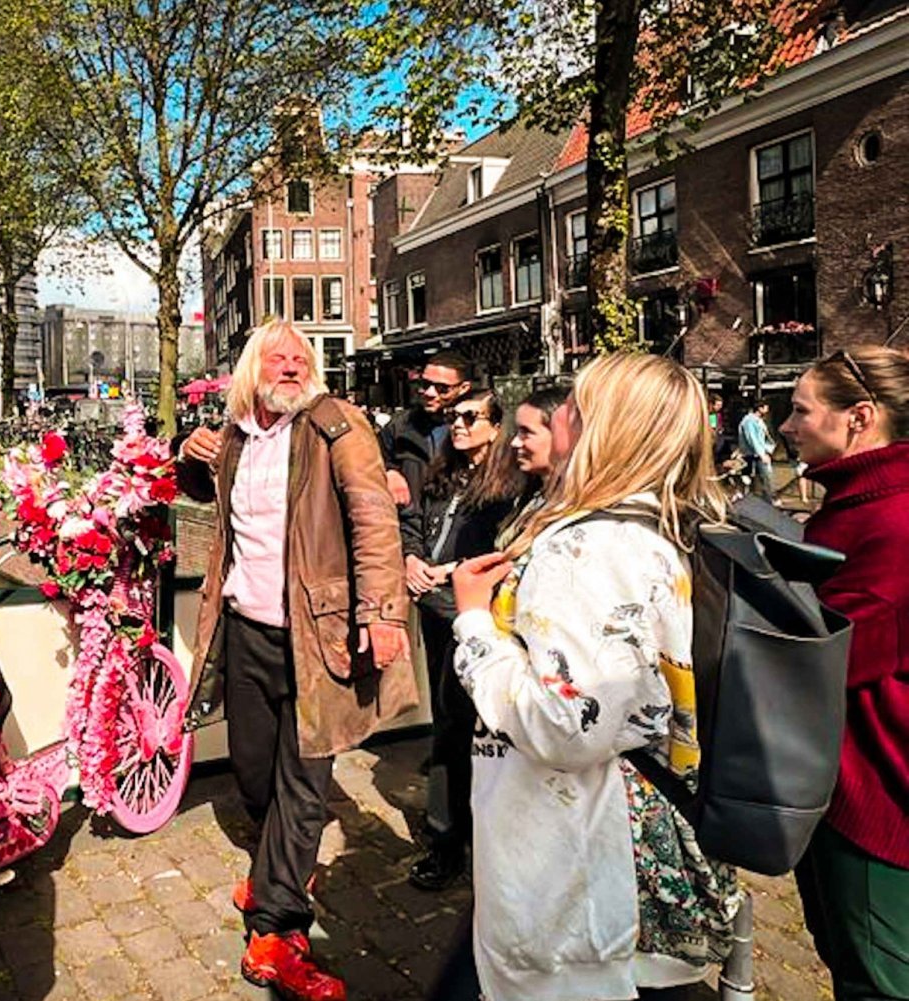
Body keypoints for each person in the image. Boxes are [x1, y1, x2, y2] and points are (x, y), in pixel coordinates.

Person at [451, 353, 741, 1001]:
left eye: (575, 406)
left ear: (604, 430)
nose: (559, 415)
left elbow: (567, 726)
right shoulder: (653, 527)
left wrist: (474, 625)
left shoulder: (587, 549)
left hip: (577, 862)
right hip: (613, 850)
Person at [177, 319, 417, 1001]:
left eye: (300, 357)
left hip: (320, 636)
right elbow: (198, 492)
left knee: (304, 783)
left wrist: (384, 614)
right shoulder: (234, 438)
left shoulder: (333, 423)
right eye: (276, 356)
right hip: (246, 629)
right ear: (251, 369)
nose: (290, 365)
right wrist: (189, 454)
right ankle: (276, 868)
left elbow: (374, 517)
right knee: (255, 774)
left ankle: (277, 931)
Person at [780, 347, 909, 1001]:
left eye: (800, 409)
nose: (783, 426)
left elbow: (820, 658)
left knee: (875, 982)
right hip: (846, 793)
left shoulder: (892, 524)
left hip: (879, 805)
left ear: (859, 418)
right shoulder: (857, 505)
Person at [399, 390, 525, 891]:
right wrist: (411, 558)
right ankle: (450, 837)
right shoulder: (441, 470)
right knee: (447, 723)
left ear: (497, 427)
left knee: (466, 728)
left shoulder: (509, 485)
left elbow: (508, 549)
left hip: (472, 610)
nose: (458, 424)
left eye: (471, 417)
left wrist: (451, 571)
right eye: (454, 417)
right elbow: (411, 522)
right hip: (434, 609)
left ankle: (456, 841)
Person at [379, 351, 472, 507]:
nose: (429, 393)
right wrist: (389, 472)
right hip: (410, 524)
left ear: (463, 388)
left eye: (442, 388)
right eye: (425, 384)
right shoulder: (399, 426)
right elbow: (373, 460)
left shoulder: (479, 429)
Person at [738, 399, 776, 503]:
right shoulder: (749, 421)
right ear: (760, 408)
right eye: (766, 407)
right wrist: (762, 454)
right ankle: (767, 500)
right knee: (761, 478)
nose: (767, 410)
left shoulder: (758, 420)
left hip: (759, 453)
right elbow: (753, 439)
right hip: (752, 454)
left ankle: (765, 499)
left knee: (762, 478)